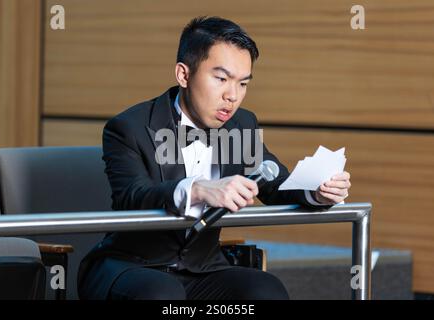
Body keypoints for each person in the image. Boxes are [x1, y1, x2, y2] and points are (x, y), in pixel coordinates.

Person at [78, 16, 351, 300]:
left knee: (267, 291)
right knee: (162, 295)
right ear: (184, 75)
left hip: (202, 269)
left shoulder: (242, 124)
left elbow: (273, 183)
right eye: (221, 79)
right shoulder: (129, 127)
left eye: (243, 83)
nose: (232, 96)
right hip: (131, 266)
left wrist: (318, 192)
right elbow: (132, 197)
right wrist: (196, 190)